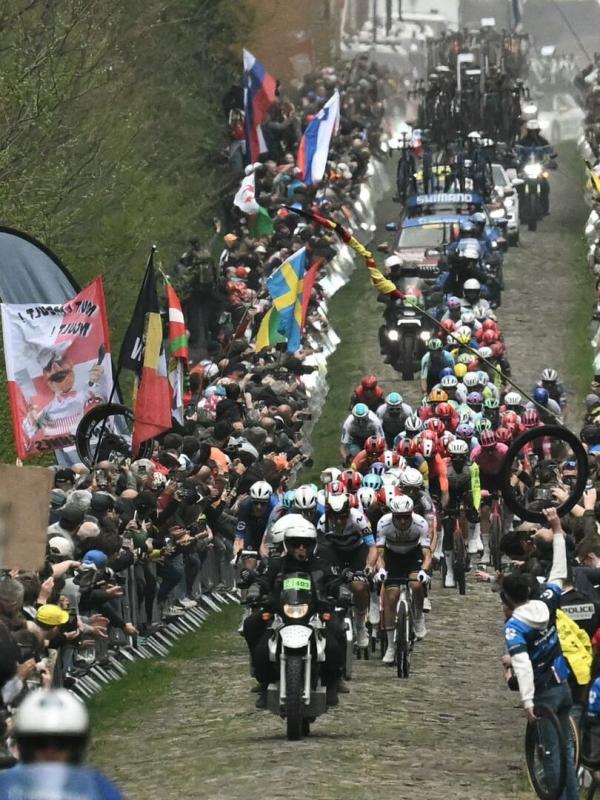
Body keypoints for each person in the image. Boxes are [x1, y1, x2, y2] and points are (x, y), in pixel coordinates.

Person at [501, 508, 578, 800]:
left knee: (550, 753)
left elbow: (522, 663)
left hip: (544, 692)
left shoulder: (515, 627)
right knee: (568, 749)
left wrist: (527, 701)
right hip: (564, 685)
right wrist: (557, 529)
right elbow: (559, 571)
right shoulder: (546, 602)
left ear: (508, 599)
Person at [243, 517, 345, 707]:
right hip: (280, 614)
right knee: (253, 629)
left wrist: (341, 591)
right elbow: (265, 580)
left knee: (336, 635)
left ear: (312, 545)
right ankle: (265, 683)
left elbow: (333, 581)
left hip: (314, 614)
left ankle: (332, 683)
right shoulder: (276, 564)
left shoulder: (321, 564)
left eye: (305, 544)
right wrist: (256, 589)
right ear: (287, 545)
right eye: (295, 544)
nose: (301, 549)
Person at [0, 688, 125, 799]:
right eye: (39, 743)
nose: (50, 751)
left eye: (62, 743)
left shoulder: (98, 788)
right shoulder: (6, 788)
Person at [375, 494, 432, 659]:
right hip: (392, 557)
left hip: (413, 555)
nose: (402, 522)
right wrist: (381, 570)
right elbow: (379, 553)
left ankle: (419, 616)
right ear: (392, 515)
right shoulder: (383, 524)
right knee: (391, 598)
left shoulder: (420, 523)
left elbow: (427, 553)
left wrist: (424, 570)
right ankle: (391, 646)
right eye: (398, 518)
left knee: (416, 584)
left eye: (405, 518)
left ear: (411, 514)